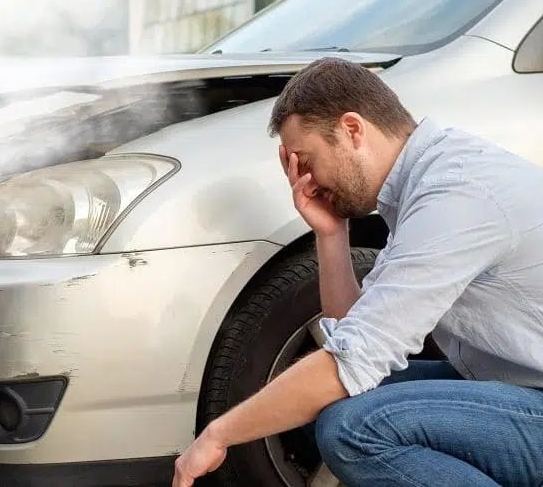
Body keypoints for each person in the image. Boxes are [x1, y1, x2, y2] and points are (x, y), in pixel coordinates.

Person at [172, 56, 543, 486]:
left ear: (352, 130)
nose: (306, 181)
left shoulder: (455, 196)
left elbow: (352, 362)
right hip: (518, 388)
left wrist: (217, 435)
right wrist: (332, 235)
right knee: (327, 403)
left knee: (352, 429)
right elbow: (354, 342)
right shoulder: (426, 183)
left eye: (307, 160)